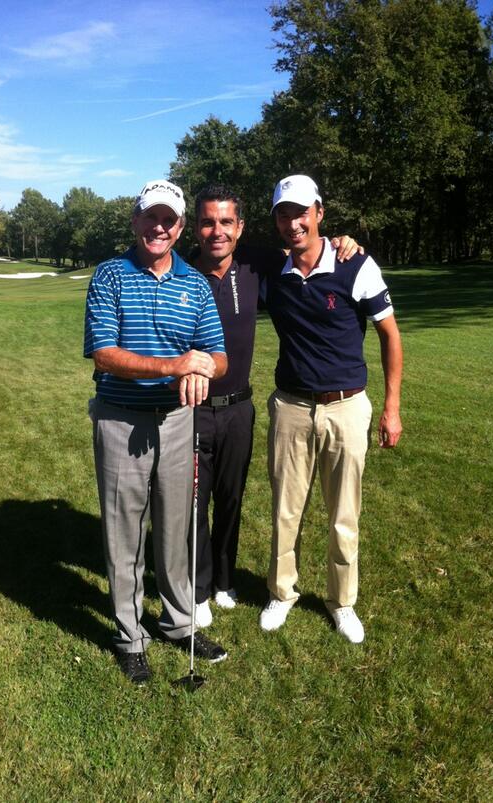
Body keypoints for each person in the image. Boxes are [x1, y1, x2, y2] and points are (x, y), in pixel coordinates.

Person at [190, 185, 362, 628]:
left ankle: (224, 581)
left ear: (241, 227)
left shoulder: (257, 265)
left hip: (239, 407)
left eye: (226, 222)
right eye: (208, 222)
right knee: (194, 503)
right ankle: (198, 588)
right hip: (191, 408)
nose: (217, 231)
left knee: (231, 498)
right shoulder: (182, 271)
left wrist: (342, 242)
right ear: (195, 227)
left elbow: (306, 248)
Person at [84, 179, 229, 684]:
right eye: (151, 217)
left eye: (169, 220)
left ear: (181, 227)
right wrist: (174, 366)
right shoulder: (111, 275)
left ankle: (179, 623)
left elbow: (218, 354)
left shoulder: (195, 283)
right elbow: (105, 355)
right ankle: (130, 636)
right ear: (135, 221)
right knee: (124, 532)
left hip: (176, 421)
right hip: (121, 417)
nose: (159, 227)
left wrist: (203, 368)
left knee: (175, 529)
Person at [259, 174, 403, 643]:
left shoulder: (354, 263)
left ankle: (342, 602)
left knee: (343, 515)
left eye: (302, 212)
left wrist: (392, 408)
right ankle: (282, 593)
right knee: (285, 512)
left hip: (346, 408)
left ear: (319, 212)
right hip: (291, 407)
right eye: (284, 214)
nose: (293, 223)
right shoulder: (273, 271)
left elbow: (390, 335)